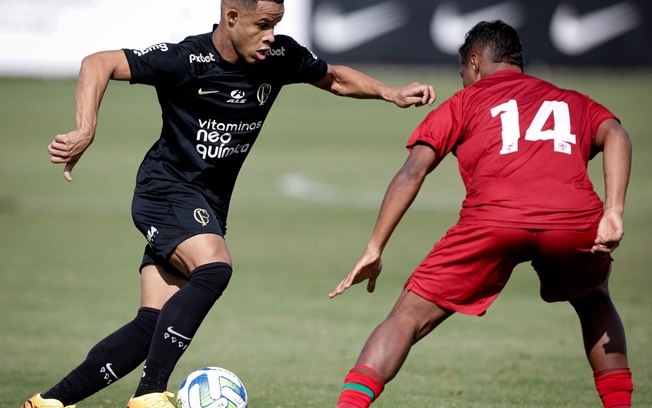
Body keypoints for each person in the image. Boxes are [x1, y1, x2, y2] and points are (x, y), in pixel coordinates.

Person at [21, 1, 435, 407]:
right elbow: (98, 62)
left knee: (152, 324)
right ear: (232, 17)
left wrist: (389, 93)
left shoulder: (279, 56)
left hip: (209, 204)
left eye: (277, 24)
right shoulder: (186, 59)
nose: (271, 36)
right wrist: (86, 128)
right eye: (263, 24)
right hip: (164, 190)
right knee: (215, 268)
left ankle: (49, 401)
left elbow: (334, 77)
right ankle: (149, 395)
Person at [329, 20, 634, 408]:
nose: (462, 80)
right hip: (573, 220)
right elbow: (617, 134)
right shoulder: (572, 100)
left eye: (461, 73)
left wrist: (375, 246)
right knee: (593, 298)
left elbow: (413, 170)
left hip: (492, 221)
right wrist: (614, 210)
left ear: (474, 63)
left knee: (406, 316)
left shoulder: (464, 102)